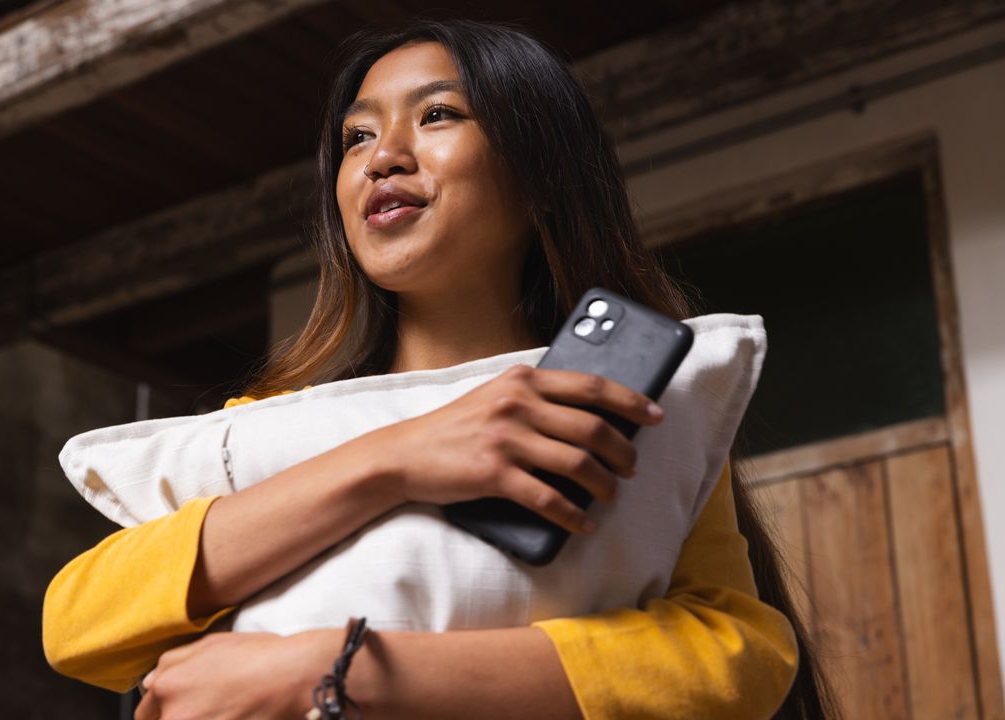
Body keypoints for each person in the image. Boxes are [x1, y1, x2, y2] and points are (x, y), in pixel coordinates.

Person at [43, 19, 834, 719]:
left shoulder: (627, 404)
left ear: (540, 176)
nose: (383, 156)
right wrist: (398, 456)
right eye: (356, 138)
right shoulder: (266, 423)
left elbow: (739, 657)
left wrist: (340, 672)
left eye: (438, 115)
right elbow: (76, 624)